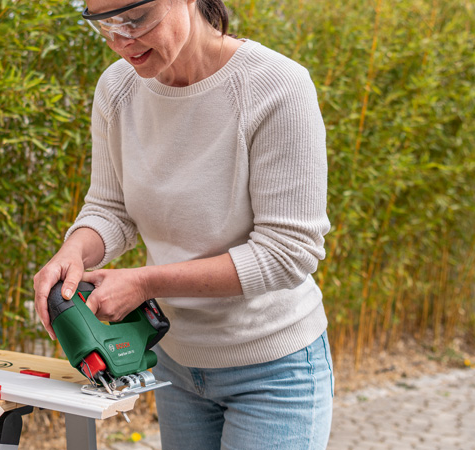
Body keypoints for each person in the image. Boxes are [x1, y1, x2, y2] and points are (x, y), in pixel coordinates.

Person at [33, 0, 333, 447]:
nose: (120, 40)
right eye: (103, 24)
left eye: (134, 19)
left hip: (274, 372)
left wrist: (146, 283)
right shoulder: (117, 88)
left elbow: (287, 253)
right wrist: (73, 250)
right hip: (174, 366)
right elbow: (111, 207)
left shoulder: (277, 86)